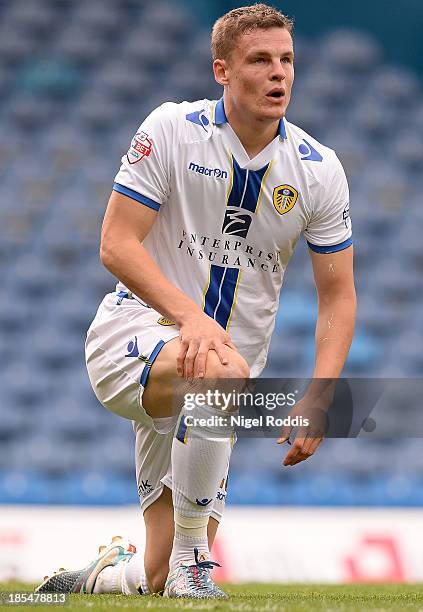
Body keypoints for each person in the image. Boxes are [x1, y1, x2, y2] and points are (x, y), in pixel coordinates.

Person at [36, 3, 356, 599]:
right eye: (259, 60)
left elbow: (338, 293)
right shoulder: (171, 130)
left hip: (217, 388)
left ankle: (111, 573)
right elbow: (115, 243)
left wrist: (323, 392)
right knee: (216, 374)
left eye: (286, 60)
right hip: (136, 338)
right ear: (222, 71)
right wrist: (193, 319)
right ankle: (194, 565)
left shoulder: (319, 170)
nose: (278, 73)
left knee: (153, 577)